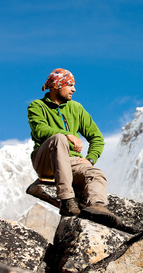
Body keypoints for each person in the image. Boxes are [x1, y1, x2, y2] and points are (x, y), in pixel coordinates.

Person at [27, 68, 120, 227]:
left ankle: (96, 206)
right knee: (58, 139)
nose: (74, 89)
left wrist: (90, 160)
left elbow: (97, 137)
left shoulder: (76, 108)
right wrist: (67, 135)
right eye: (69, 85)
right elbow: (39, 130)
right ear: (57, 85)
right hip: (45, 161)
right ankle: (67, 200)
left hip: (70, 162)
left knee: (95, 173)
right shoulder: (36, 106)